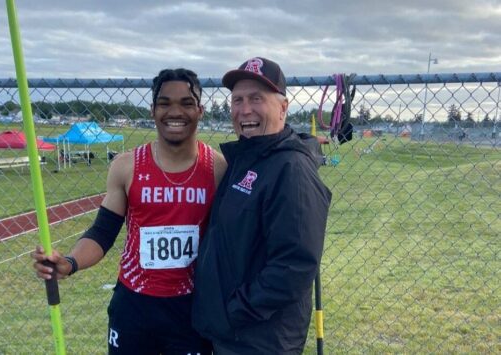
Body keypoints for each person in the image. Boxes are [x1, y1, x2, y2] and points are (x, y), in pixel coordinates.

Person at [32, 68, 227, 355]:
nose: (175, 112)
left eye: (186, 103)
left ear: (200, 110)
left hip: (191, 308)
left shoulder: (219, 169)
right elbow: (103, 232)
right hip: (134, 306)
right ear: (152, 110)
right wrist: (71, 262)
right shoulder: (127, 166)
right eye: (164, 103)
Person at [192, 57, 332, 355]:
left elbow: (295, 265)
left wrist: (234, 312)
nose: (245, 110)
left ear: (283, 107)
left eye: (257, 98)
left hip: (259, 340)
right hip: (233, 334)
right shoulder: (247, 158)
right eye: (237, 100)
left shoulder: (291, 169)